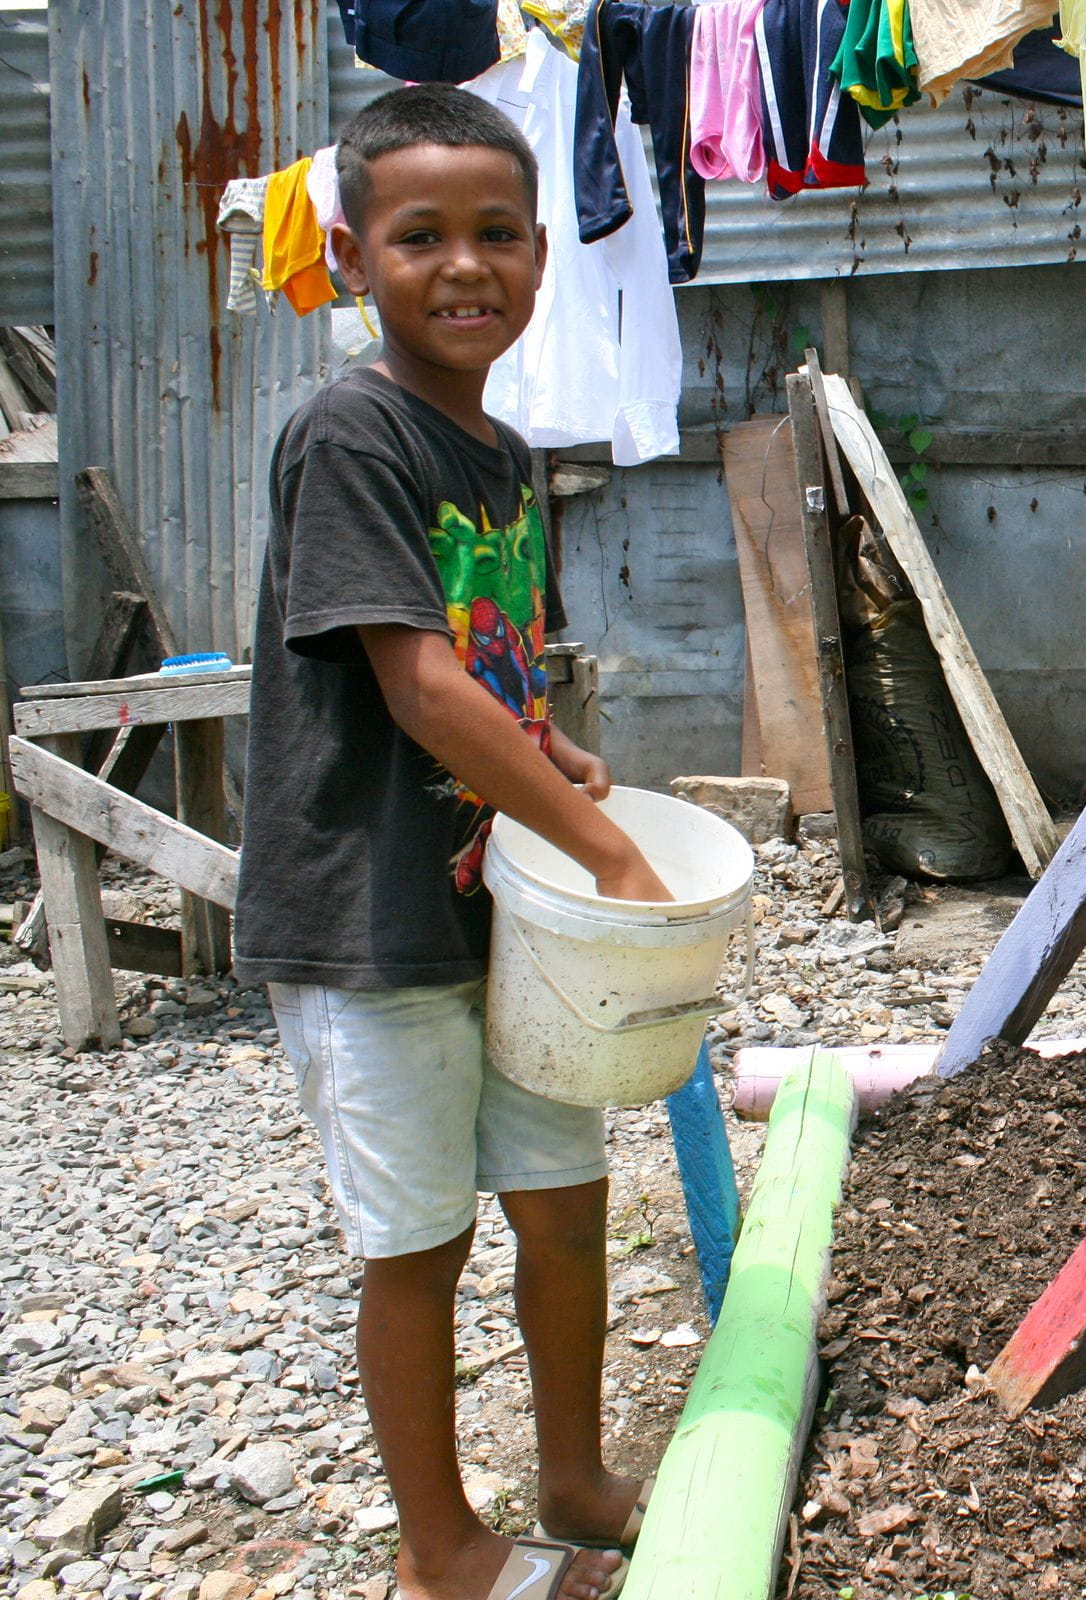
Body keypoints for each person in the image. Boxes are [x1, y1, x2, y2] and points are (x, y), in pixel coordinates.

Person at [232, 84, 670, 1600]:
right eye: (422, 237)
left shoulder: (501, 450)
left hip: (501, 919)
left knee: (563, 1201)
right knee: (417, 1243)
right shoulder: (353, 433)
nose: (465, 265)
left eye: (496, 234)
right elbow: (414, 685)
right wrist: (610, 857)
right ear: (352, 257)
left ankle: (572, 1472)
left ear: (545, 256)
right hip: (373, 916)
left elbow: (493, 666)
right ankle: (440, 1551)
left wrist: (554, 755)